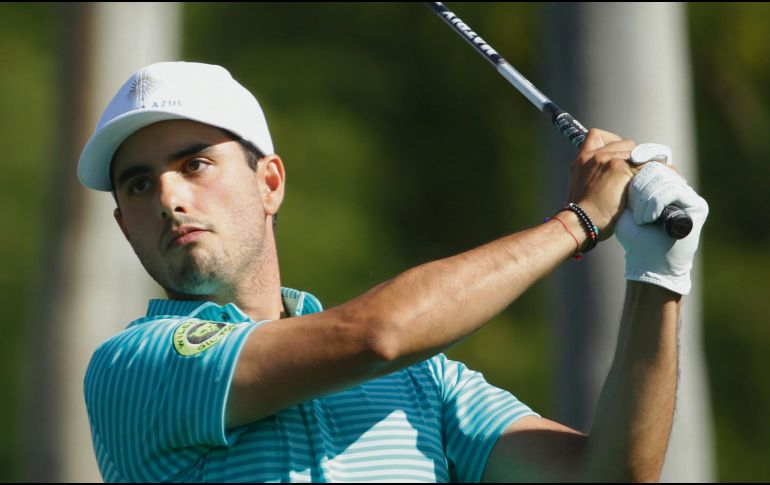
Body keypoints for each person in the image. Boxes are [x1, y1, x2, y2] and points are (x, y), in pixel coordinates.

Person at [79, 61, 708, 482]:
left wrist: (657, 275)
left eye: (194, 164)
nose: (168, 197)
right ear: (124, 224)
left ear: (269, 183)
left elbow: (612, 473)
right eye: (138, 184)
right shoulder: (133, 366)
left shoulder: (421, 380)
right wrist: (579, 222)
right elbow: (375, 336)